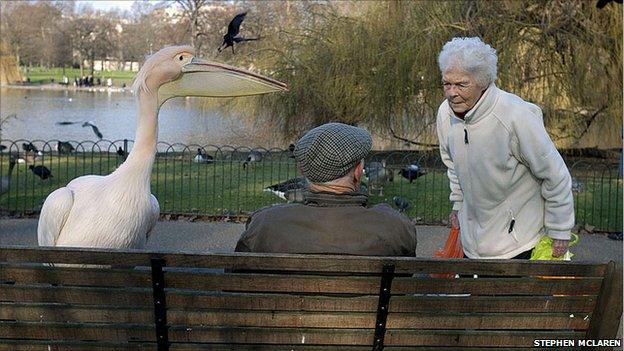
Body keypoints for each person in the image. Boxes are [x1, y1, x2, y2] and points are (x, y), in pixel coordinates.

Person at [435, 37, 574, 259]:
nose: (451, 92)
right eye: (446, 84)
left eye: (461, 84)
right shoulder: (445, 114)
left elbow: (555, 175)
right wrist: (457, 203)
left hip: (518, 245)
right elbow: (453, 165)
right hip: (472, 244)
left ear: (482, 83)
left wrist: (560, 230)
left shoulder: (515, 116)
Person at [235, 123, 417, 256]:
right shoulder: (395, 226)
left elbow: (237, 282)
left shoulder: (264, 224)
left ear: (302, 171)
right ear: (358, 172)